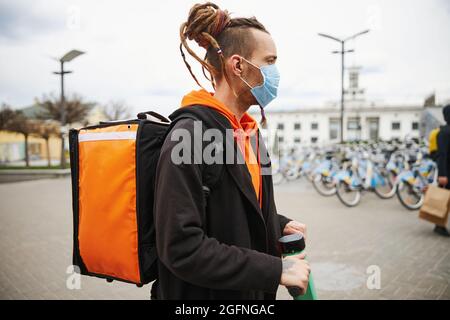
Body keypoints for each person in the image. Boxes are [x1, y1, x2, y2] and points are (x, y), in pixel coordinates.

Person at [152, 2, 310, 299]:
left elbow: (235, 210)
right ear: (238, 65)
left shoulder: (250, 131)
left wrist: (278, 223)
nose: (275, 73)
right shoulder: (190, 135)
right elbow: (181, 247)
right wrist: (276, 271)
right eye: (270, 61)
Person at [435, 104, 450, 237]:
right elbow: (442, 154)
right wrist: (442, 174)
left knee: (445, 200)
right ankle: (439, 225)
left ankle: (439, 225)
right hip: (446, 172)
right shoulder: (444, 132)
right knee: (443, 200)